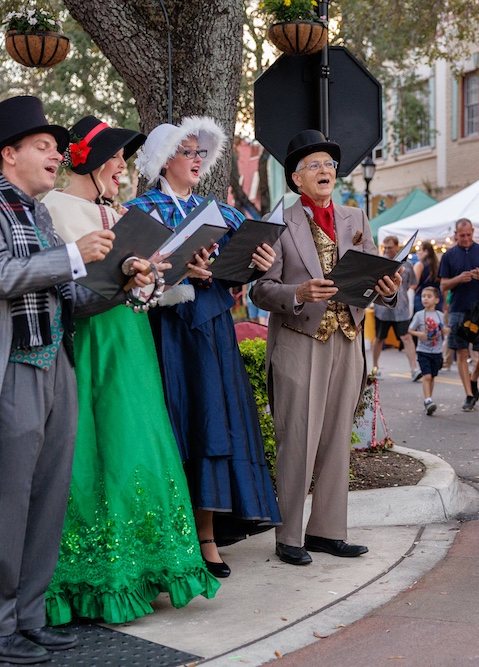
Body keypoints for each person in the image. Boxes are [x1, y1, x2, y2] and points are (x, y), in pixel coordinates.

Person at [0, 95, 154, 664]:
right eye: (44, 147)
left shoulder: (40, 216)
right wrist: (71, 256)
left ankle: (28, 619)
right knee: (5, 503)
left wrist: (123, 282)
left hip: (55, 369)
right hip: (10, 369)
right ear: (7, 155)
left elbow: (71, 302)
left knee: (47, 505)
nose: (56, 156)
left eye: (57, 149)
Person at [42, 116, 220, 619]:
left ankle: (140, 565)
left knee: (137, 445)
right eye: (116, 157)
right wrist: (125, 271)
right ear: (91, 161)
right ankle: (92, 572)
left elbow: (140, 292)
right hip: (92, 341)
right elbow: (70, 283)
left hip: (130, 339)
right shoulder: (55, 206)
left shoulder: (117, 211)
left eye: (123, 157)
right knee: (96, 449)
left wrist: (169, 268)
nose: (123, 166)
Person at [126, 116, 282, 576]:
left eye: (200, 153)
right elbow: (129, 279)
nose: (197, 160)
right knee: (175, 427)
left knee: (212, 425)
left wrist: (259, 261)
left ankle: (208, 535)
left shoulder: (222, 212)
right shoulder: (143, 211)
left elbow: (235, 269)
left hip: (213, 332)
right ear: (163, 161)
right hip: (165, 335)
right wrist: (177, 273)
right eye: (186, 152)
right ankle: (173, 536)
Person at [249, 129, 400, 566]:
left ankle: (327, 531)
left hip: (347, 338)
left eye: (329, 165)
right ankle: (289, 535)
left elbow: (375, 279)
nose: (325, 171)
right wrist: (299, 293)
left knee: (337, 439)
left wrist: (387, 289)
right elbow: (261, 290)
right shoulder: (280, 223)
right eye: (314, 165)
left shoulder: (355, 219)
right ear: (296, 179)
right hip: (300, 341)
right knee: (297, 437)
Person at [439, 218, 479, 411]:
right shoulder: (449, 255)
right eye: (461, 235)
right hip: (458, 308)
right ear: (456, 234)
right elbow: (443, 285)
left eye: (468, 234)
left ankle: (474, 379)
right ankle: (468, 395)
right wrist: (458, 279)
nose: (465, 238)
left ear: (473, 231)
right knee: (462, 352)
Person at [372, 235, 419, 380]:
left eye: (389, 247)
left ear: (397, 247)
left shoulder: (408, 265)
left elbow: (413, 283)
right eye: (385, 247)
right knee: (379, 338)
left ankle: (414, 369)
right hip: (382, 310)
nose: (386, 250)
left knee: (406, 337)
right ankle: (375, 368)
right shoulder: (380, 262)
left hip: (401, 309)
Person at [408, 286, 447, 415]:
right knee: (427, 375)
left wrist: (446, 331)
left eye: (429, 296)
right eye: (423, 296)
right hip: (423, 350)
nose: (425, 299)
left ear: (436, 300)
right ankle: (428, 399)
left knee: (433, 376)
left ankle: (429, 399)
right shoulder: (419, 315)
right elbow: (410, 329)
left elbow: (445, 329)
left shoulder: (440, 316)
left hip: (436, 351)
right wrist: (420, 334)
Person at [412, 240, 441, 313]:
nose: (417, 252)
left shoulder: (419, 265)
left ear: (426, 252)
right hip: (436, 298)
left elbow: (414, 284)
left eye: (419, 250)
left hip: (422, 297)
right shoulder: (438, 265)